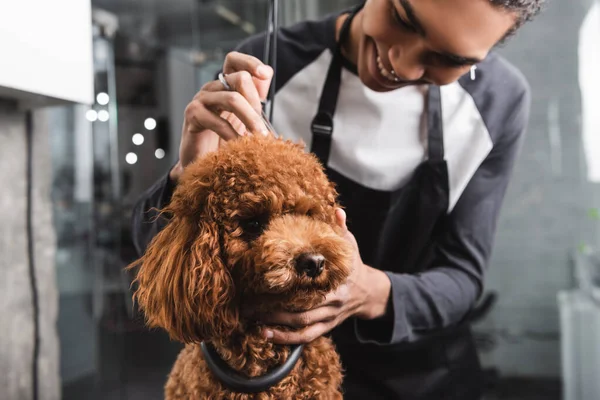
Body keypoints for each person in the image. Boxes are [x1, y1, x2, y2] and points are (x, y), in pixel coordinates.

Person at [132, 0, 544, 398]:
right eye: (403, 17)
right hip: (268, 376)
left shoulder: (498, 101)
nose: (400, 64)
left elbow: (462, 277)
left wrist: (369, 290)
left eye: (448, 58)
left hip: (423, 378)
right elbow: (173, 260)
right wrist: (189, 178)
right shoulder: (268, 66)